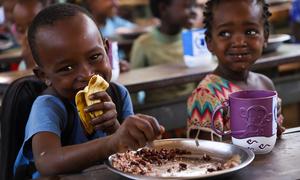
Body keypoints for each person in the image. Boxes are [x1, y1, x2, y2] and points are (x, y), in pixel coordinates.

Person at [14, 3, 164, 178]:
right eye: (67, 68)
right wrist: (111, 142)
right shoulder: (49, 106)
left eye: (94, 57)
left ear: (107, 50)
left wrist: (116, 128)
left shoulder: (119, 95)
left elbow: (129, 154)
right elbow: (47, 161)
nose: (87, 74)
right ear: (43, 76)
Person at [187, 0, 285, 140]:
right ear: (209, 42)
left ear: (265, 38)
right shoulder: (207, 96)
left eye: (250, 32)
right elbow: (205, 155)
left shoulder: (266, 84)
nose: (239, 42)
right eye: (225, 34)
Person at [130, 0, 196, 103]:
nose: (194, 12)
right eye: (187, 6)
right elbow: (133, 88)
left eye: (193, 6)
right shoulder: (143, 44)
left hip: (191, 105)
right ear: (163, 8)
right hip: (156, 109)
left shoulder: (193, 39)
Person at [12, 0, 56, 70]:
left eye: (32, 26)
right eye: (21, 30)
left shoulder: (57, 54)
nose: (26, 35)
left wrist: (31, 66)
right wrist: (29, 64)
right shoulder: (23, 64)